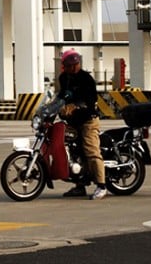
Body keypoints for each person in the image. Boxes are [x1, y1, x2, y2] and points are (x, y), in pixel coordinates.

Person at [57, 49, 106, 200]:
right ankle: (80, 186)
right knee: (73, 151)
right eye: (71, 65)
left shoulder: (86, 79)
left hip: (88, 120)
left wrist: (77, 106)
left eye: (76, 64)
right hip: (72, 121)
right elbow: (61, 96)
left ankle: (102, 186)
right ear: (65, 65)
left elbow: (91, 100)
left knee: (91, 151)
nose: (74, 67)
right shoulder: (64, 78)